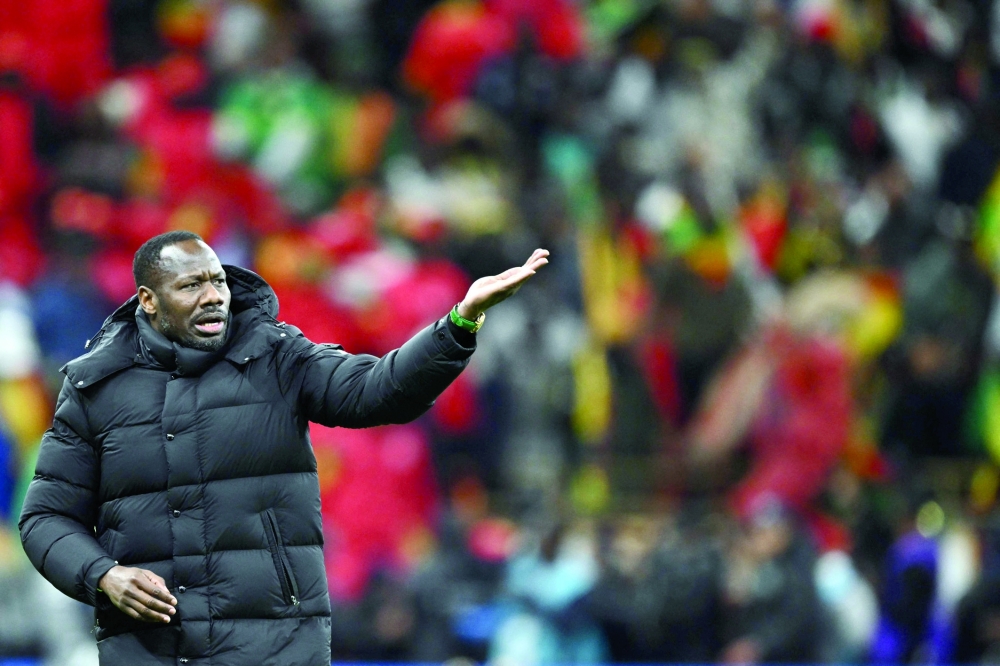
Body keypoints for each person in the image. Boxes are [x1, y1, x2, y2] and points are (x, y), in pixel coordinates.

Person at [18, 230, 549, 665]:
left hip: (272, 647)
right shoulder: (95, 388)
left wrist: (459, 323)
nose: (212, 296)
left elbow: (376, 390)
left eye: (218, 281)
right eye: (191, 286)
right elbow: (44, 520)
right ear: (148, 301)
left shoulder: (276, 355)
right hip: (151, 653)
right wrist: (104, 576)